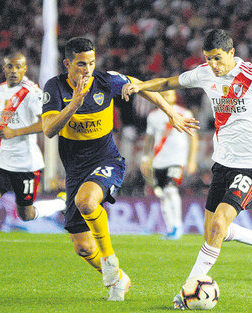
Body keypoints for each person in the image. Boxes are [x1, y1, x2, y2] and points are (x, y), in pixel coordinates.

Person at [122, 29, 252, 309]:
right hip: (222, 165)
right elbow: (169, 82)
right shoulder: (205, 73)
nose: (213, 65)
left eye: (217, 58)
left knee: (218, 225)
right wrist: (141, 86)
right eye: (208, 59)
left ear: (231, 53)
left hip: (251, 168)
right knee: (212, 232)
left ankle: (186, 291)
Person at [41, 37, 198, 302]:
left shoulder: (105, 81)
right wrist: (74, 104)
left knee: (86, 201)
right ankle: (120, 278)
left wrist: (171, 112)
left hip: (107, 161)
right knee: (82, 247)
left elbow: (142, 87)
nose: (87, 69)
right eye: (81, 64)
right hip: (75, 170)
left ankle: (110, 261)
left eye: (91, 62)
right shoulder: (54, 87)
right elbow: (49, 130)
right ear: (68, 63)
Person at [0, 52, 66, 272]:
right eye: (10, 67)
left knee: (25, 214)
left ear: (25, 69)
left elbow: (45, 125)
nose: (14, 71)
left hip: (26, 163)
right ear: (4, 68)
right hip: (2, 159)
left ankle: (62, 203)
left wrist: (15, 132)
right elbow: (5, 118)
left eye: (18, 67)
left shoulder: (33, 93)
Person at [141, 90, 199, 240]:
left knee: (170, 190)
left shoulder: (184, 113)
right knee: (162, 195)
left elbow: (193, 138)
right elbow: (149, 139)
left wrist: (191, 160)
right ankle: (170, 228)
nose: (168, 97)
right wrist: (145, 158)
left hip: (177, 160)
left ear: (175, 96)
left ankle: (178, 226)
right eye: (165, 94)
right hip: (159, 161)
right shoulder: (153, 116)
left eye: (170, 94)